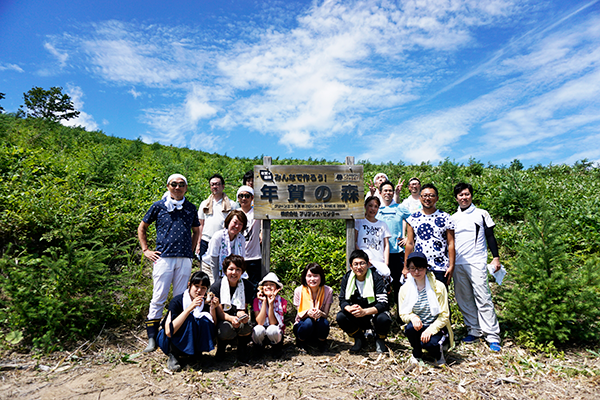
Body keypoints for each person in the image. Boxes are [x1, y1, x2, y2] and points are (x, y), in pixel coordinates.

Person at [138, 174, 200, 353]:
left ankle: (174, 335)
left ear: (186, 188)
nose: (177, 187)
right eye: (174, 184)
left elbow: (196, 230)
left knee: (180, 299)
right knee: (159, 297)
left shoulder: (190, 208)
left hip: (184, 259)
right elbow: (142, 227)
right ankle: (151, 338)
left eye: (181, 184)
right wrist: (145, 250)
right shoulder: (159, 206)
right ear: (168, 186)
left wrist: (191, 250)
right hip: (163, 257)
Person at [452, 182, 502, 352]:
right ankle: (474, 329)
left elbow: (490, 236)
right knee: (463, 298)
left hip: (477, 262)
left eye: (466, 194)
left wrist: (496, 258)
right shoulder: (453, 218)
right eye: (460, 195)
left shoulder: (482, 214)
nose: (464, 198)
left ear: (471, 195)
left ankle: (492, 335)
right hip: (458, 263)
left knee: (483, 297)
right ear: (456, 198)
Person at [398, 252, 454, 365]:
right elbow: (403, 313)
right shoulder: (405, 289)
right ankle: (417, 354)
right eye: (413, 268)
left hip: (436, 328)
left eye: (420, 268)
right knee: (410, 328)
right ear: (408, 269)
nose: (417, 272)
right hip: (419, 326)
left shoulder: (438, 287)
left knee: (429, 344)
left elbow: (444, 315)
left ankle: (439, 354)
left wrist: (430, 330)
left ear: (426, 268)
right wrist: (412, 317)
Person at [156, 271, 218, 371]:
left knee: (204, 320)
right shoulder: (177, 301)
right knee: (189, 318)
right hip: (169, 340)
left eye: (203, 288)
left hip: (192, 340)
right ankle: (174, 355)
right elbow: (168, 332)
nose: (199, 290)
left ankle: (196, 354)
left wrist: (212, 308)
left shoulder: (204, 302)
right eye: (196, 286)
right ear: (189, 285)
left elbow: (212, 326)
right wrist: (189, 308)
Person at [337, 250, 392, 353]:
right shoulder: (347, 278)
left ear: (368, 264)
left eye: (362, 263)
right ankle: (359, 338)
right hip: (356, 314)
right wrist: (349, 308)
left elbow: (383, 303)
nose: (359, 267)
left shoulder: (376, 278)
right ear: (351, 266)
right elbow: (342, 299)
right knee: (341, 317)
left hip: (373, 314)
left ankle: (380, 339)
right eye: (355, 264)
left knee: (384, 319)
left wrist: (365, 312)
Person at [404, 183, 455, 286]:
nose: (427, 198)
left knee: (440, 299)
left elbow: (451, 243)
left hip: (440, 267)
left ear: (437, 198)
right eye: (425, 195)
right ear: (420, 198)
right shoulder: (413, 218)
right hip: (419, 267)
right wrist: (406, 267)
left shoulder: (446, 217)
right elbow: (410, 243)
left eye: (431, 195)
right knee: (420, 299)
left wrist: (451, 266)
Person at [209, 254, 254, 362]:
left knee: (246, 325)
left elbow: (243, 307)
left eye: (238, 269)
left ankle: (242, 348)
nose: (234, 273)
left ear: (242, 272)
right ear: (225, 270)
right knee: (225, 328)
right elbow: (219, 312)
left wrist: (241, 315)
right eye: (231, 269)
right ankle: (221, 348)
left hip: (237, 317)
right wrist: (231, 319)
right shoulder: (217, 287)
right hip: (223, 319)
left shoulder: (248, 286)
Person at [376, 180, 411, 301]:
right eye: (385, 190)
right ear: (380, 193)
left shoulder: (400, 208)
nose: (388, 193)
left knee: (398, 283)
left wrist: (408, 238)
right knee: (380, 284)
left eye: (390, 190)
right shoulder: (376, 208)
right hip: (379, 253)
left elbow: (415, 222)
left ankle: (400, 314)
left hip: (396, 252)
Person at [293, 263, 334, 352]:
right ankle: (301, 341)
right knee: (308, 322)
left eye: (315, 276)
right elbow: (299, 315)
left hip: (318, 324)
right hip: (302, 324)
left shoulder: (328, 291)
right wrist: (308, 313)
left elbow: (326, 315)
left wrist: (320, 313)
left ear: (321, 277)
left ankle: (322, 342)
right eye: (309, 276)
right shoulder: (298, 291)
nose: (312, 279)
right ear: (305, 277)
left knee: (323, 322)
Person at [197, 174, 238, 258]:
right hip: (206, 240)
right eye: (212, 184)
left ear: (223, 186)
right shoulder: (204, 204)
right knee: (205, 268)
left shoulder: (232, 205)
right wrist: (198, 244)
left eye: (217, 184)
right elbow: (201, 224)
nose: (214, 186)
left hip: (224, 241)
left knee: (222, 268)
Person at [202, 209, 247, 283]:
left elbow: (241, 259)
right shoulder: (218, 236)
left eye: (240, 224)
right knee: (215, 289)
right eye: (235, 222)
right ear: (228, 221)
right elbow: (214, 260)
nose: (237, 226)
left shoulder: (241, 239)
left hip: (230, 269)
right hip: (211, 267)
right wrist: (217, 281)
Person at [355, 196, 391, 280]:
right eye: (370, 205)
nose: (373, 209)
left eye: (376, 206)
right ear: (365, 206)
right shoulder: (359, 221)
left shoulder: (383, 224)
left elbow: (386, 245)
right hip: (363, 263)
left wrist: (386, 263)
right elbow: (354, 241)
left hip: (379, 263)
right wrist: (363, 258)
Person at [252, 272, 287, 357]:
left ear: (277, 288)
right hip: (262, 330)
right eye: (265, 285)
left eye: (271, 284)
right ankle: (258, 349)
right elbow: (260, 322)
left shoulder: (282, 301)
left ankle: (277, 349)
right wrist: (264, 302)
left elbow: (273, 323)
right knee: (258, 329)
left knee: (272, 329)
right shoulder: (257, 301)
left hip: (275, 332)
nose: (268, 287)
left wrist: (271, 304)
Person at [237, 185, 262, 288]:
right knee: (238, 283)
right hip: (238, 255)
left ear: (252, 198)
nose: (244, 198)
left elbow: (264, 226)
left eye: (247, 196)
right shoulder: (235, 213)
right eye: (241, 196)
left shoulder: (258, 212)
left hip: (254, 256)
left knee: (255, 285)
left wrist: (261, 235)